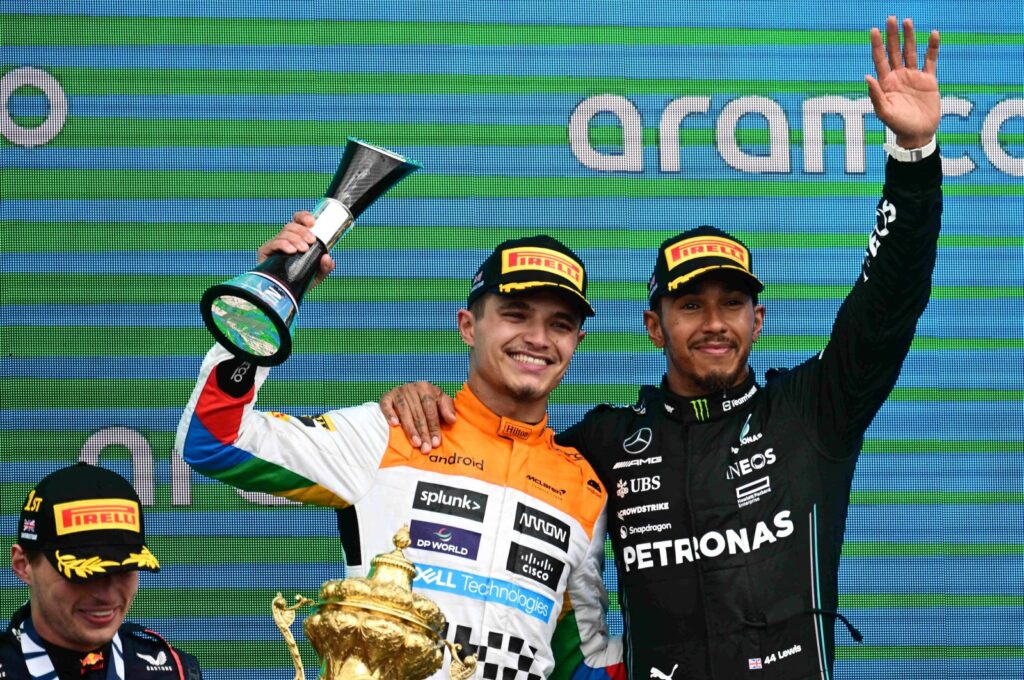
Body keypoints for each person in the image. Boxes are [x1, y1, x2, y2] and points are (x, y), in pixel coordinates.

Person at [380, 15, 942, 679]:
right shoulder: (604, 442)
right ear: (655, 326)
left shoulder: (814, 411)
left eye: (731, 304)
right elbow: (504, 445)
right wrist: (418, 401)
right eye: (690, 305)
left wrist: (913, 158)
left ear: (757, 320)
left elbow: (889, 303)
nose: (713, 323)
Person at [175, 225, 623, 678]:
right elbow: (214, 441)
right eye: (515, 314)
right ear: (467, 326)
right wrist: (266, 305)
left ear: (576, 344)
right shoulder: (391, 432)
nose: (538, 338)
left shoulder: (584, 489)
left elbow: (580, 660)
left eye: (560, 325)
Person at [3, 462, 202, 679]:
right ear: (23, 565)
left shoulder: (174, 671)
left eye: (124, 569)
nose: (106, 595)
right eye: (82, 574)